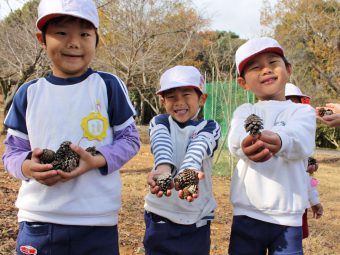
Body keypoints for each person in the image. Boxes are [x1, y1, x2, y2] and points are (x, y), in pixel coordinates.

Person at [2, 0, 140, 254]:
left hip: (96, 221)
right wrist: (27, 167)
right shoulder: (28, 93)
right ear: (41, 39)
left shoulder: (108, 86)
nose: (74, 42)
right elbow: (11, 153)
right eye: (62, 33)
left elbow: (130, 140)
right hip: (39, 220)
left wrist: (95, 160)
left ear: (96, 39)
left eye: (85, 34)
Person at [227, 37, 316, 255]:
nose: (266, 70)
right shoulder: (244, 111)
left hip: (288, 216)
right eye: (256, 67)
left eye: (273, 63)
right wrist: (244, 144)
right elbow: (234, 139)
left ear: (288, 69)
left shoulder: (302, 111)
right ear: (243, 83)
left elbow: (302, 140)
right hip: (247, 212)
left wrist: (280, 140)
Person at [143, 65, 221, 255]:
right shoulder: (160, 122)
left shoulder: (209, 127)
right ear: (163, 101)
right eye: (172, 97)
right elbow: (161, 144)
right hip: (160, 214)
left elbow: (199, 147)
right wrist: (163, 169)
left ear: (202, 98)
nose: (179, 102)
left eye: (186, 95)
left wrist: (188, 170)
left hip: (196, 218)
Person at [285, 83, 324, 238]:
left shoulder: (303, 143)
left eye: (296, 104)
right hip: (271, 211)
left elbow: (307, 179)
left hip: (297, 208)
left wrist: (314, 201)